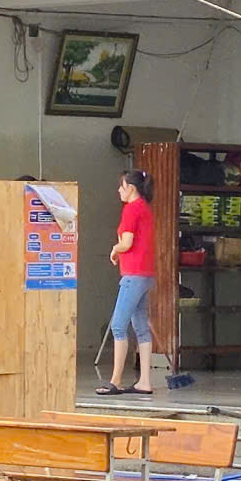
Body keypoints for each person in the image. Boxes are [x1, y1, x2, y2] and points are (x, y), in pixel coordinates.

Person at [98, 167, 156, 398]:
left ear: (130, 188)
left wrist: (115, 249)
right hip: (145, 274)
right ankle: (145, 381)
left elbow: (127, 243)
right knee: (141, 327)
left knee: (118, 326)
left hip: (133, 275)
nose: (119, 191)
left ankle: (115, 381)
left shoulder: (132, 209)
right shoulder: (145, 208)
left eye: (121, 187)